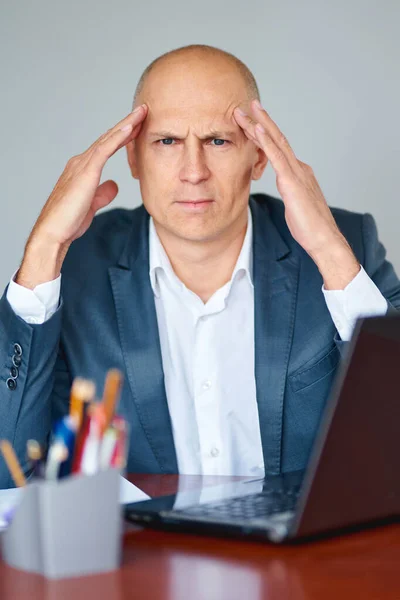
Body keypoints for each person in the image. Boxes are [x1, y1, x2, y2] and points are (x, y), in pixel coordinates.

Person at [0, 44, 399, 488]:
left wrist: (328, 250)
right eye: (167, 141)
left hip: (301, 556)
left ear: (260, 156)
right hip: (145, 555)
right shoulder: (75, 265)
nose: (194, 171)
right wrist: (44, 250)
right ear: (133, 157)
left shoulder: (345, 245)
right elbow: (8, 473)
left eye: (218, 141)